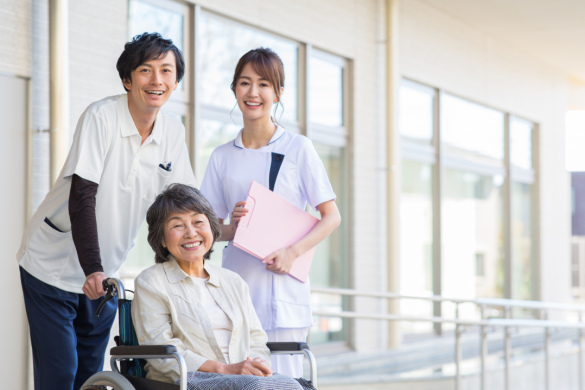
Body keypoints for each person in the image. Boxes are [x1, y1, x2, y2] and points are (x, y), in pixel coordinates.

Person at [17, 32, 196, 390]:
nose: (156, 80)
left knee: (93, 378)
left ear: (176, 82)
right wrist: (93, 269)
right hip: (51, 266)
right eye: (145, 70)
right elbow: (82, 196)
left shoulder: (173, 131)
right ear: (127, 79)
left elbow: (181, 204)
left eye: (166, 71)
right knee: (61, 374)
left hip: (104, 277)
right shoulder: (102, 116)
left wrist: (210, 238)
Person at [200, 47, 341, 378]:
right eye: (245, 83)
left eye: (264, 84)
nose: (253, 93)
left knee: (284, 384)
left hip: (284, 294)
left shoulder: (297, 148)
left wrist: (293, 252)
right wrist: (233, 226)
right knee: (241, 383)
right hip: (236, 293)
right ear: (234, 88)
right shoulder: (221, 156)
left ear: (278, 93)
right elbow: (209, 231)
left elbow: (331, 216)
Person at [132, 184, 315, 390]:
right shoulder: (151, 282)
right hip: (185, 380)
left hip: (244, 381)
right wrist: (227, 370)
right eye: (177, 225)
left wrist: (256, 365)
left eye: (198, 221)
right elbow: (161, 350)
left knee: (294, 385)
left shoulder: (233, 281)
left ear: (211, 228)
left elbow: (255, 339)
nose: (191, 233)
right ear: (162, 239)